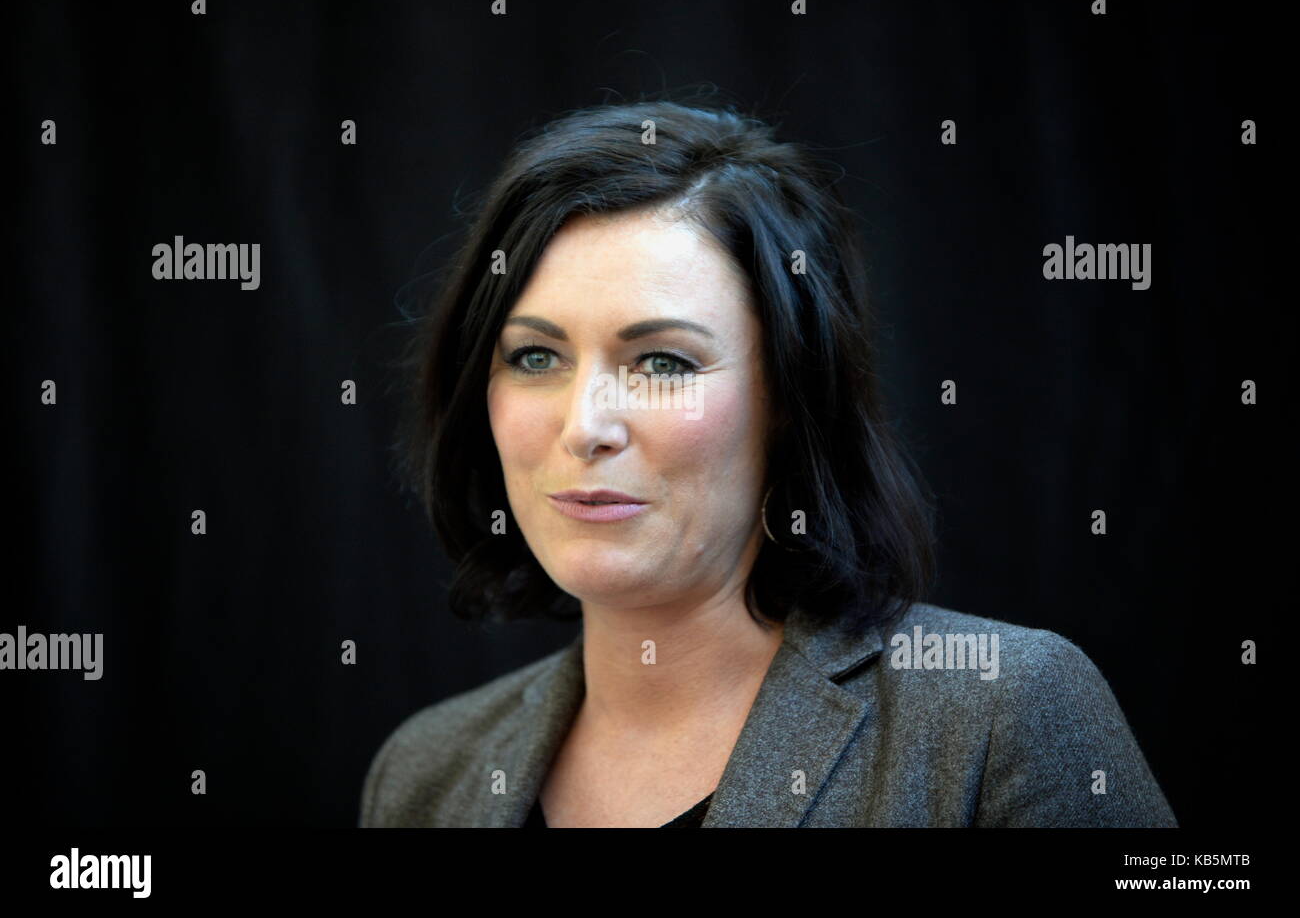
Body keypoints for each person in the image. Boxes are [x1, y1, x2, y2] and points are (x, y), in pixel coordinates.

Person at [361, 99, 1176, 827]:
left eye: (665, 362)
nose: (586, 426)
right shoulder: (424, 771)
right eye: (536, 356)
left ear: (789, 397)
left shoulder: (1002, 713)